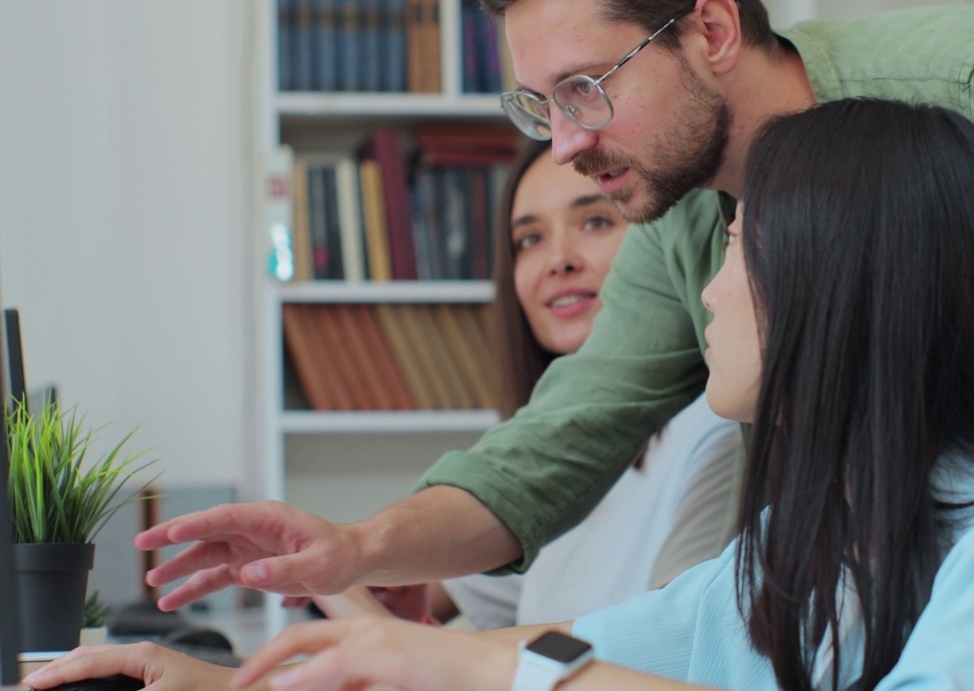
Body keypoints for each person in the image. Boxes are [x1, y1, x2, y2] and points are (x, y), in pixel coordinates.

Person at [102, 0, 974, 687]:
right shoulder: (796, 554)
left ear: (707, 30)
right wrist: (353, 562)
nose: (560, 143)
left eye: (583, 88)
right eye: (536, 105)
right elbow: (557, 448)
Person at [309, 139, 743, 628]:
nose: (558, 260)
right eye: (529, 240)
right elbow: (419, 597)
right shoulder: (541, 465)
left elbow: (668, 647)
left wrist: (411, 648)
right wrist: (339, 567)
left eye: (595, 222)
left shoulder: (714, 426)